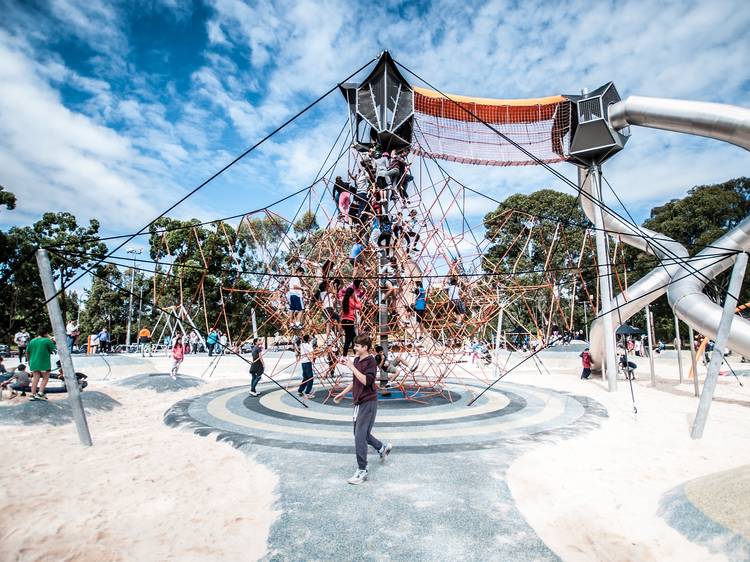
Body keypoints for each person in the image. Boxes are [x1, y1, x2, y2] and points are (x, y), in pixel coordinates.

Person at [334, 335, 393, 485]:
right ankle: (382, 447)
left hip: (368, 401)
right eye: (355, 345)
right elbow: (356, 381)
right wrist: (343, 393)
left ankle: (362, 470)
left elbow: (367, 381)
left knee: (359, 436)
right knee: (361, 433)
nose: (355, 348)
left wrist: (352, 367)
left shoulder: (371, 362)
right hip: (358, 402)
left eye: (358, 346)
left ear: (365, 347)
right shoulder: (356, 360)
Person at [27, 327, 56, 401]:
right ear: (46, 333)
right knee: (45, 378)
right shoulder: (47, 340)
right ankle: (40, 393)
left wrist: (29, 362)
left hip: (33, 363)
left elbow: (27, 352)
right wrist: (51, 338)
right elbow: (54, 349)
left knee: (35, 379)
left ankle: (32, 395)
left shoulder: (32, 341)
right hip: (44, 363)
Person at [340, 287, 361, 356]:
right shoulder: (351, 300)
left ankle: (354, 354)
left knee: (352, 337)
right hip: (349, 321)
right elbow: (359, 306)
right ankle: (346, 355)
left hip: (344, 321)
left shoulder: (344, 300)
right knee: (350, 339)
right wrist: (355, 298)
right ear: (352, 294)